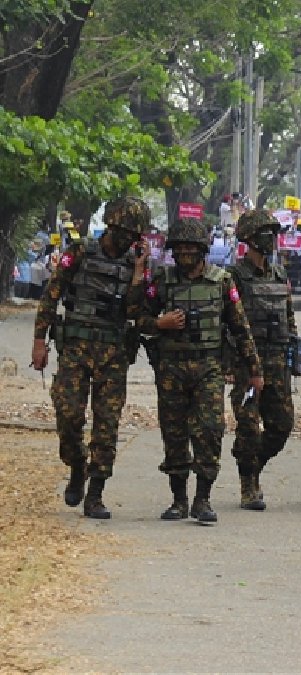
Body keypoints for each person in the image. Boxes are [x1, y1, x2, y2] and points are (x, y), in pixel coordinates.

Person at [31, 197, 151, 519]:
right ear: (110, 225)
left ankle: (96, 493)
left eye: (133, 235)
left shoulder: (136, 264)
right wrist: (39, 342)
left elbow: (136, 312)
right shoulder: (81, 251)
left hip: (113, 355)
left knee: (107, 425)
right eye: (123, 231)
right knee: (68, 414)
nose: (127, 239)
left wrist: (139, 274)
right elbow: (51, 295)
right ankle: (76, 464)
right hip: (76, 350)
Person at [137, 218, 263, 524]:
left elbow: (240, 327)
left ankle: (202, 499)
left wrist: (254, 369)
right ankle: (179, 500)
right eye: (179, 248)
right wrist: (159, 323)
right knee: (174, 433)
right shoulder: (163, 281)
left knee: (209, 430)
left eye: (190, 248)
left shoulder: (221, 281)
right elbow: (137, 317)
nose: (184, 253)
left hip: (209, 368)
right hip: (171, 369)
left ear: (202, 250)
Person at [227, 209, 297, 511]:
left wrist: (294, 355)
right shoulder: (234, 276)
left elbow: (289, 318)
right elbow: (227, 321)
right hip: (247, 364)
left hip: (278, 362)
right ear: (250, 238)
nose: (271, 239)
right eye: (265, 233)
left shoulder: (280, 275)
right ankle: (248, 484)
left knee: (282, 425)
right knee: (248, 426)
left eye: (273, 233)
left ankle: (254, 464)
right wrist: (230, 363)